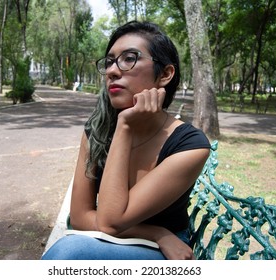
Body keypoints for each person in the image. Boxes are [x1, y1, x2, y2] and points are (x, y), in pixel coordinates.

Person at [42, 21, 210, 260]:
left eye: (129, 58)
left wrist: (125, 126)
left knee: (69, 253)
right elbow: (79, 218)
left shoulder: (190, 146)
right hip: (152, 240)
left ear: (165, 74)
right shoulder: (97, 131)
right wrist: (157, 233)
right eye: (110, 61)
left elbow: (109, 221)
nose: (112, 70)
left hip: (166, 253)